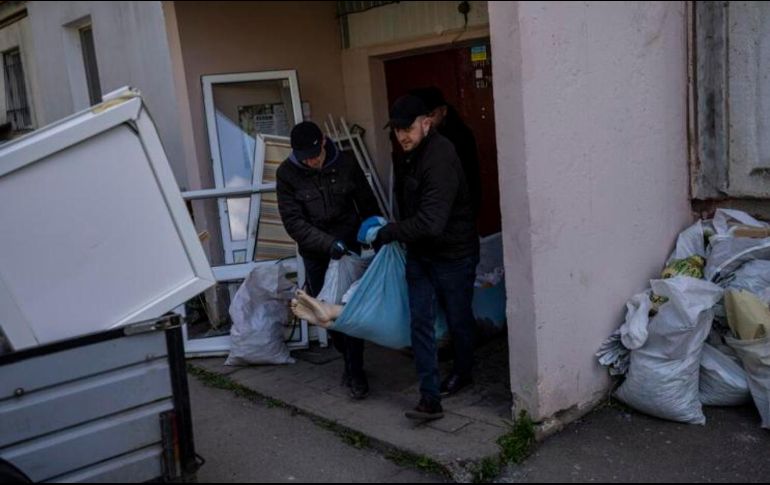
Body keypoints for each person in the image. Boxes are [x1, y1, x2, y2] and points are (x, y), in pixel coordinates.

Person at [375, 95, 480, 420]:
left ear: (426, 122)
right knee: (419, 322)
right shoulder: (407, 153)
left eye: (407, 128)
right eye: (396, 130)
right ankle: (429, 398)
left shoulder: (441, 156)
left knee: (459, 319)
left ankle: (464, 371)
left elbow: (431, 223)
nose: (401, 136)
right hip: (420, 255)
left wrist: (390, 232)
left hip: (453, 255)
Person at [276, 121, 381, 400]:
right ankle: (346, 356)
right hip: (317, 253)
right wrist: (326, 244)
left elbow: (367, 202)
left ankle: (356, 371)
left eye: (314, 154)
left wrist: (374, 230)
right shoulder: (287, 174)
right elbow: (294, 223)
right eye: (305, 158)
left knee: (349, 310)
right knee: (324, 315)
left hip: (349, 248)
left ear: (323, 142)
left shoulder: (345, 162)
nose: (311, 161)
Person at [409, 86, 482, 217]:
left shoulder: (457, 137)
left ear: (444, 111)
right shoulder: (421, 135)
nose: (427, 121)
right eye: (423, 116)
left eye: (431, 115)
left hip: (453, 210)